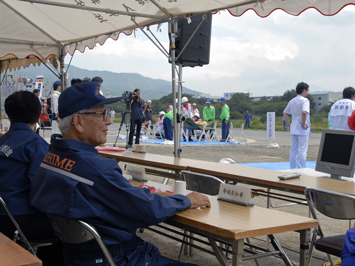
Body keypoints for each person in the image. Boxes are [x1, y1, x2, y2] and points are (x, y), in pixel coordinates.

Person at [30, 81, 210, 266]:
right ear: (78, 122)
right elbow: (147, 210)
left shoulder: (49, 159)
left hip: (76, 257)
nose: (109, 121)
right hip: (118, 258)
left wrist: (147, 194)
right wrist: (187, 200)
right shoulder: (97, 170)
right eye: (102, 114)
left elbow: (118, 197)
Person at [0, 91, 63, 266]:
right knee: (66, 228)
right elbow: (43, 189)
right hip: (17, 220)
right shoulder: (36, 145)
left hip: (4, 215)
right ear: (38, 116)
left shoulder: (2, 141)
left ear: (9, 116)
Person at [283, 82, 311, 169]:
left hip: (294, 127)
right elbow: (304, 112)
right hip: (302, 128)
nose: (307, 92)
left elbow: (285, 113)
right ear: (304, 90)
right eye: (307, 90)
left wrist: (288, 124)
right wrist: (303, 124)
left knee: (293, 149)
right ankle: (302, 167)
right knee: (302, 150)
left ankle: (293, 166)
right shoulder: (305, 100)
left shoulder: (292, 101)